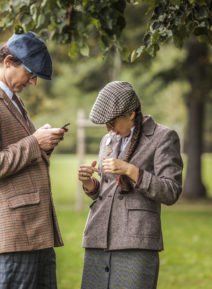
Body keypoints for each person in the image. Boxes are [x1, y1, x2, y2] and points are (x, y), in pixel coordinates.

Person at [0, 32, 65, 289]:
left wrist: (44, 144)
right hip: (13, 235)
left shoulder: (12, 100)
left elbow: (19, 154)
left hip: (35, 232)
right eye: (31, 74)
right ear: (9, 61)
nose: (33, 83)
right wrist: (34, 142)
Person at [78, 81, 184, 289]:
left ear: (131, 114)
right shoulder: (108, 140)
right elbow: (108, 190)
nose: (108, 129)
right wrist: (89, 184)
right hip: (97, 238)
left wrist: (131, 171)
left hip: (136, 239)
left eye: (112, 122)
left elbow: (171, 191)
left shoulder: (163, 137)